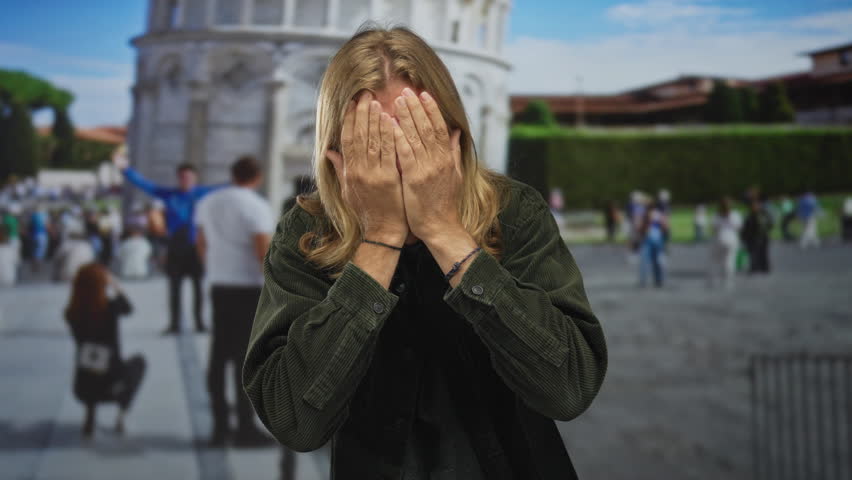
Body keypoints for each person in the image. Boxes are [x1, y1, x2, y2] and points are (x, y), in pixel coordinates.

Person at [241, 26, 607, 480]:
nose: (397, 161)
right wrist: (379, 241)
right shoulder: (307, 234)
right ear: (336, 152)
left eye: (416, 136)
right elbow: (294, 419)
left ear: (454, 136)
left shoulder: (514, 213)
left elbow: (569, 388)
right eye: (372, 143)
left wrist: (443, 231)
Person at [194, 156, 276, 448]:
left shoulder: (209, 202)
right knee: (245, 359)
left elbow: (201, 242)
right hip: (247, 289)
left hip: (219, 285)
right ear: (257, 177)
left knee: (219, 356)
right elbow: (262, 252)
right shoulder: (257, 207)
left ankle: (219, 427)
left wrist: (214, 267)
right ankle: (244, 427)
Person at [113, 148, 225, 334]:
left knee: (198, 287)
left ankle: (199, 323)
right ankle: (174, 324)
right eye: (182, 177)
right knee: (174, 288)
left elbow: (223, 188)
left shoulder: (201, 193)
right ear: (178, 178)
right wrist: (125, 170)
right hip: (175, 246)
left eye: (188, 177)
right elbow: (145, 185)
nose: (185, 180)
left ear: (194, 179)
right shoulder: (169, 194)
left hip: (194, 247)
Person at [64, 263, 147, 438]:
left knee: (92, 366)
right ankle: (122, 414)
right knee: (139, 362)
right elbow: (128, 308)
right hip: (113, 383)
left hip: (83, 386)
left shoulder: (71, 312)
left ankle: (90, 415)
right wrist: (114, 285)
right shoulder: (111, 308)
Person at [708, 197, 742, 289]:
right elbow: (739, 227)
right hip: (732, 239)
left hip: (719, 238)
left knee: (715, 261)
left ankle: (714, 279)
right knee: (729, 260)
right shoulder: (735, 215)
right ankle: (728, 281)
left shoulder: (717, 215)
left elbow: (713, 228)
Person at [638, 206, 668, 287]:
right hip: (647, 240)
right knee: (644, 261)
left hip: (658, 241)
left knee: (657, 262)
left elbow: (666, 229)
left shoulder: (660, 217)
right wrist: (647, 222)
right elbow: (639, 229)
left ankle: (658, 281)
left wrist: (662, 221)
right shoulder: (644, 218)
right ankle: (643, 281)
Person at [741, 199, 773, 273]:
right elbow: (746, 226)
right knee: (753, 253)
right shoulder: (750, 215)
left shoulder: (763, 214)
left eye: (756, 206)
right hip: (752, 237)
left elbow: (770, 224)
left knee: (763, 252)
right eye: (753, 206)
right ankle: (754, 267)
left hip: (762, 236)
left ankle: (764, 267)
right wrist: (744, 236)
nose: (755, 207)